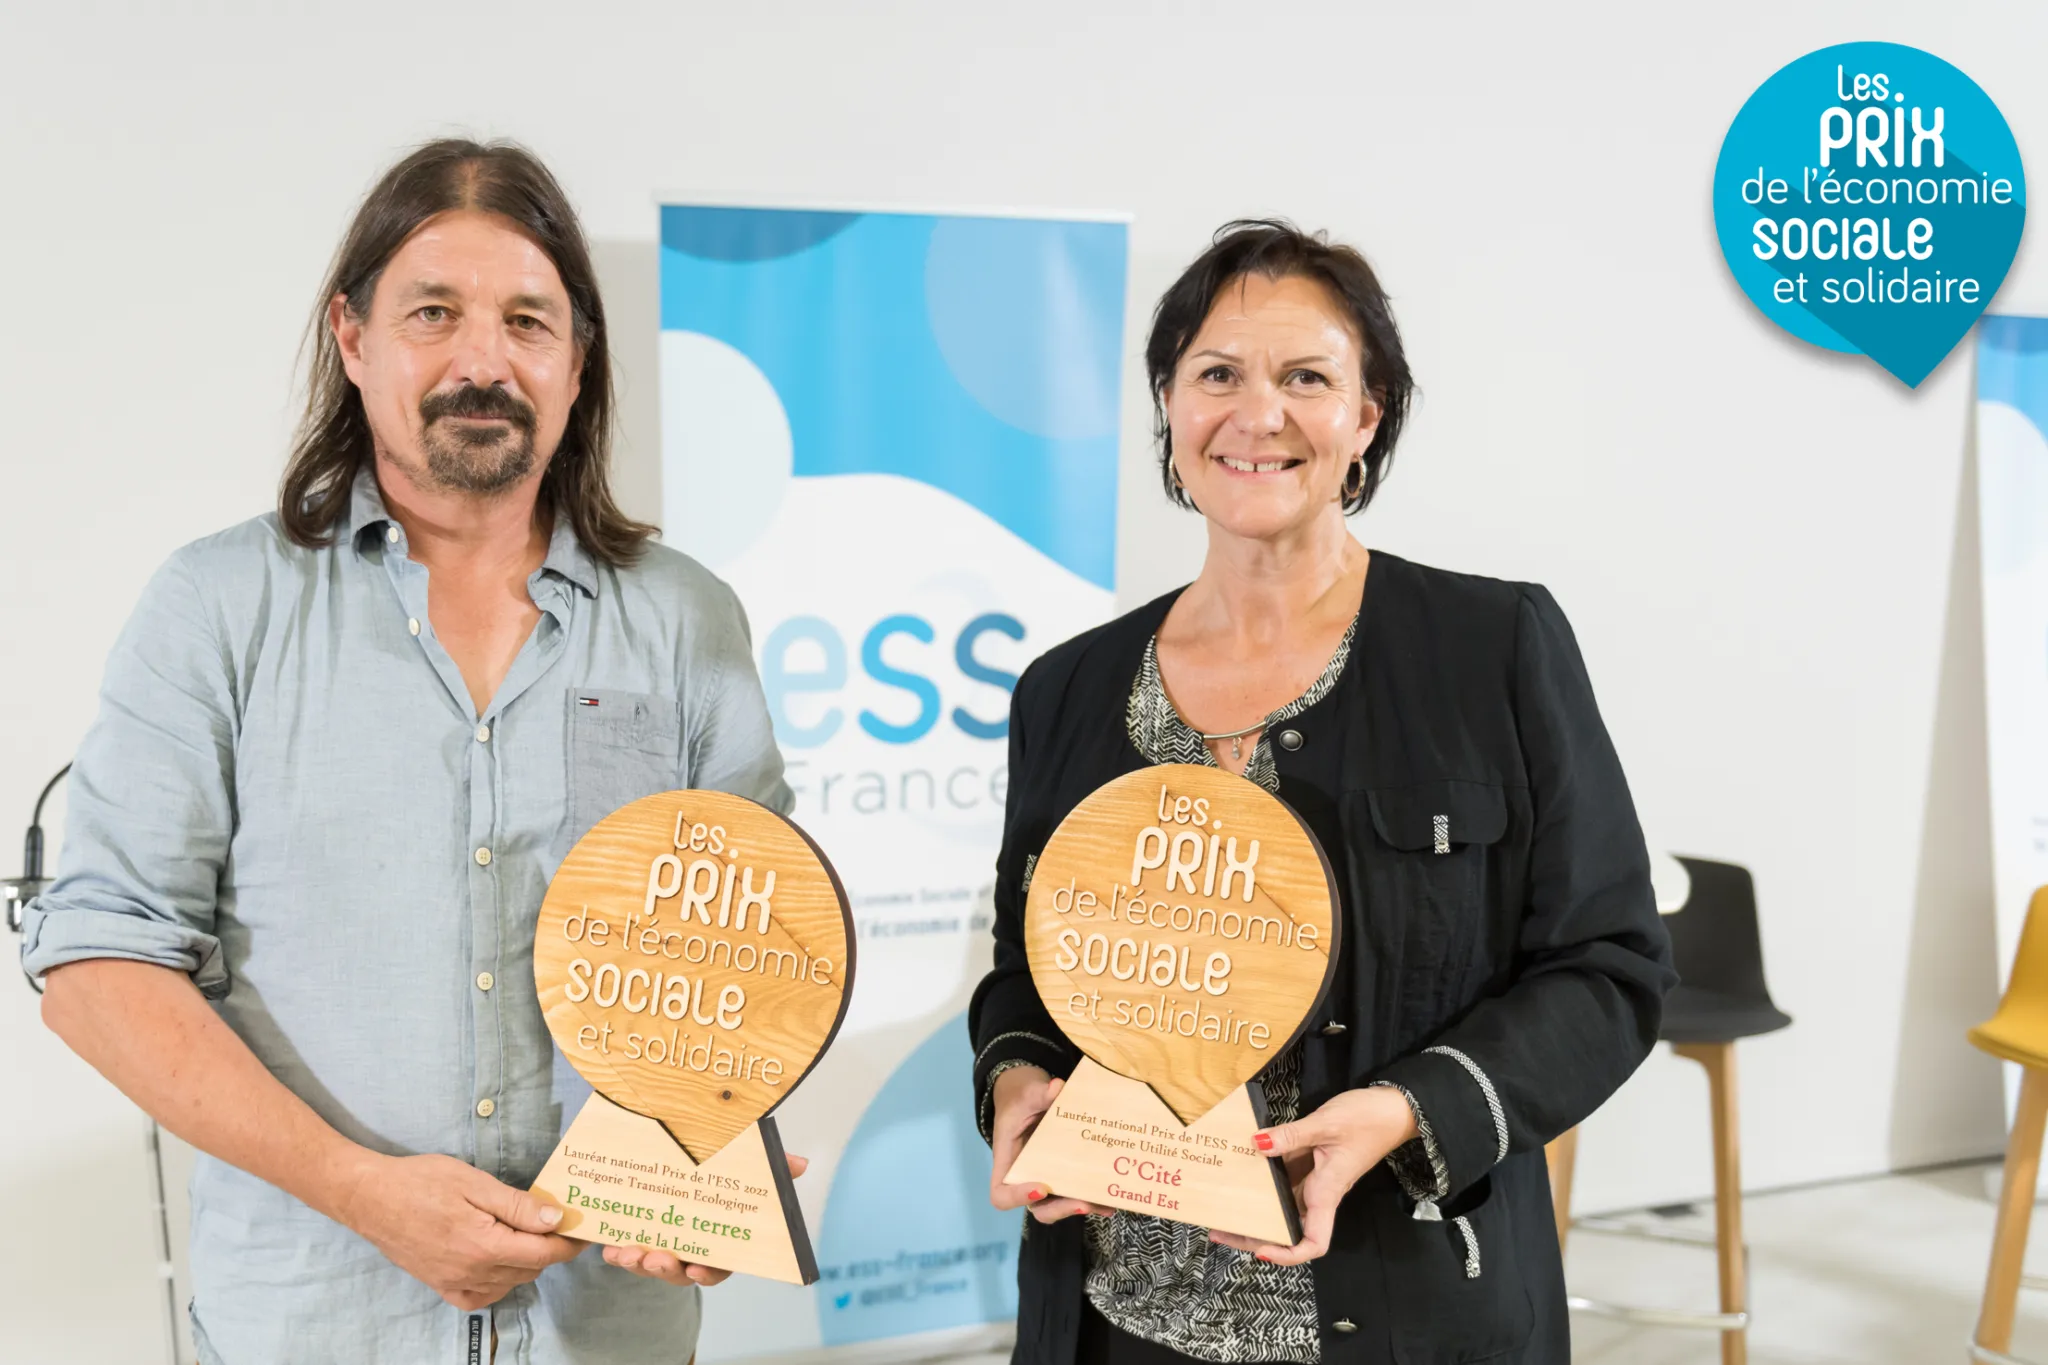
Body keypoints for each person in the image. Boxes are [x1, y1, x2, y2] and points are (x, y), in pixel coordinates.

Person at [24, 139, 794, 1364]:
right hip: (316, 1323)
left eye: (527, 321)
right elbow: (98, 965)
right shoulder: (216, 608)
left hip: (606, 1328)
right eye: (433, 314)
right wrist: (361, 1191)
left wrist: (705, 1154)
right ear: (352, 338)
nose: (481, 361)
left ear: (577, 360)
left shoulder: (685, 619)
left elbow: (748, 957)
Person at [969, 220, 1675, 1365]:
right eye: (1215, 375)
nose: (1257, 415)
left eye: (1305, 377)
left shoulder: (1492, 648)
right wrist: (1015, 1081)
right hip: (1113, 1322)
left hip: (1406, 1315)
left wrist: (1408, 1111)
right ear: (1168, 408)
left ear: (1366, 415)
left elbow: (1610, 970)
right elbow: (1022, 969)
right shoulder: (1064, 691)